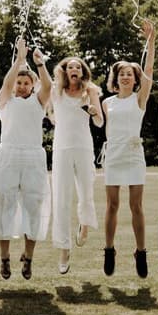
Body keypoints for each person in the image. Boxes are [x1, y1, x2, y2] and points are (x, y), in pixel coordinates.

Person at [0, 37, 52, 280]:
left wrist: (40, 64)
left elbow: (48, 88)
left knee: (33, 206)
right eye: (19, 82)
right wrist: (20, 61)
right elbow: (5, 84)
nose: (22, 85)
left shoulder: (38, 101)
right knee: (3, 204)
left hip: (33, 156)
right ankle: (4, 259)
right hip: (9, 156)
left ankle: (28, 258)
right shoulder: (6, 101)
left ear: (32, 86)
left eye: (26, 82)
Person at [101, 19, 155, 278]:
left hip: (134, 155)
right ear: (116, 78)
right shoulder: (106, 102)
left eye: (129, 74)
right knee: (112, 205)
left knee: (136, 206)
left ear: (135, 79)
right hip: (113, 155)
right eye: (121, 73)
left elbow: (150, 69)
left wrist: (151, 40)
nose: (125, 76)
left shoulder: (140, 98)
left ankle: (141, 251)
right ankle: (109, 249)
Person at [49, 54, 103, 274]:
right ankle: (64, 249)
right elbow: (37, 79)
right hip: (61, 149)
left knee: (86, 191)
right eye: (70, 67)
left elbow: (100, 123)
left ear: (82, 72)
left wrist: (93, 111)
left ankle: (85, 226)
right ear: (64, 71)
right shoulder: (56, 91)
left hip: (83, 147)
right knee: (61, 199)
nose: (74, 69)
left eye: (77, 67)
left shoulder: (90, 91)